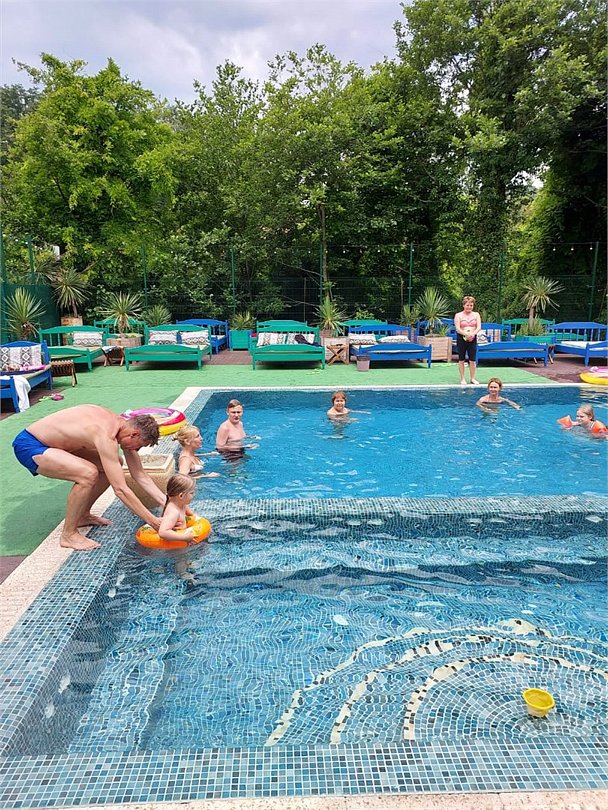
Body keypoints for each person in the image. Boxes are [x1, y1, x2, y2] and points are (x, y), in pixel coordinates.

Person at [12, 404, 166, 551]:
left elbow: (139, 474)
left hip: (57, 444)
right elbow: (120, 490)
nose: (137, 450)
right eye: (139, 445)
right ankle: (68, 535)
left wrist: (168, 503)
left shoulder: (121, 426)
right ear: (134, 434)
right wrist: (153, 521)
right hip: (31, 445)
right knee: (87, 474)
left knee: (113, 464)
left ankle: (83, 516)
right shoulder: (105, 434)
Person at [454, 295, 482, 386]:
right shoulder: (458, 315)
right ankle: (462, 378)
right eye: (467, 305)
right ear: (463, 305)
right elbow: (458, 328)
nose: (469, 307)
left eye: (471, 305)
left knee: (472, 359)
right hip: (461, 338)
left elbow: (479, 327)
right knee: (461, 359)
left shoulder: (476, 314)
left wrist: (473, 334)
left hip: (473, 338)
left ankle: (472, 378)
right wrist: (466, 334)